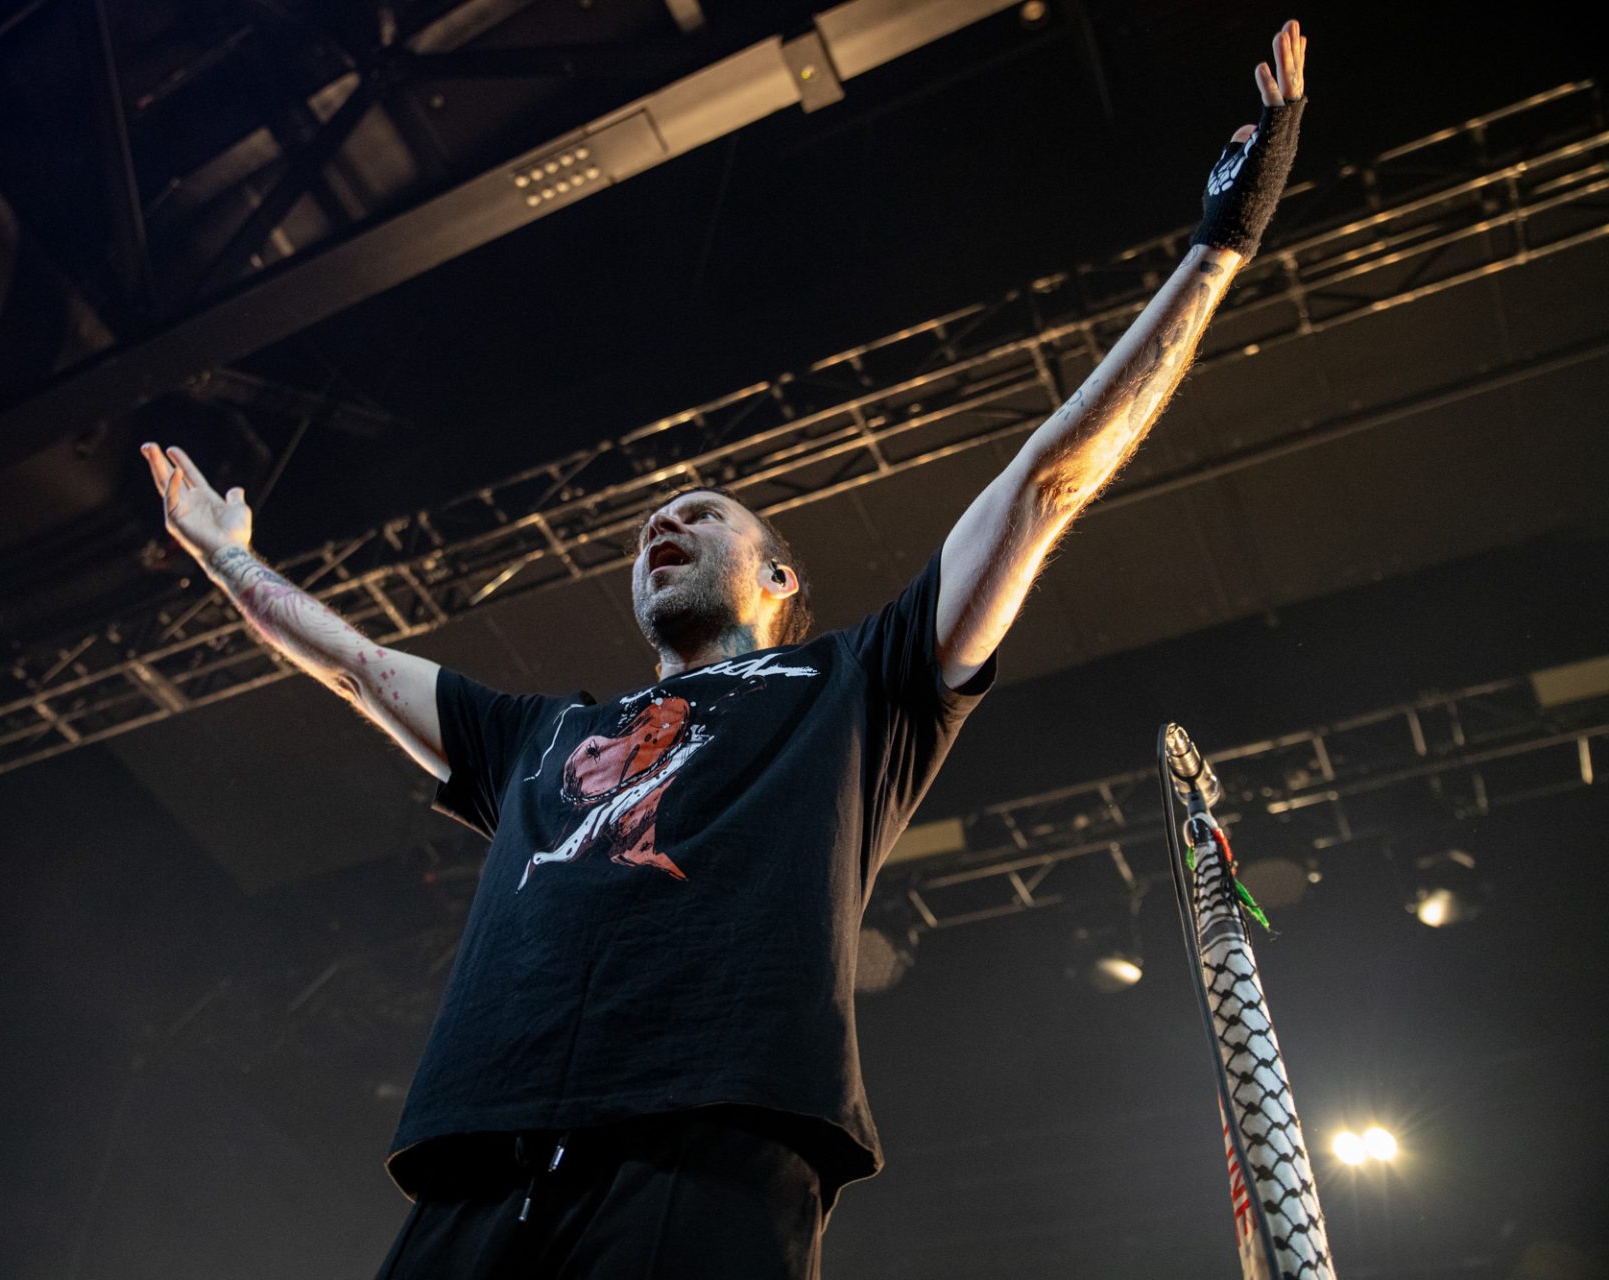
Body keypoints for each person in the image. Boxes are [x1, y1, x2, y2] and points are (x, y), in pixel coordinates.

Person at [142, 19, 1308, 1279]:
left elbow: (1043, 485)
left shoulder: (853, 685)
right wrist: (228, 559)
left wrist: (1219, 249)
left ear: (779, 576)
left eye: (701, 515)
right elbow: (353, 663)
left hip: (709, 1155)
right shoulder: (540, 737)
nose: (664, 523)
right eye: (651, 523)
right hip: (481, 1165)